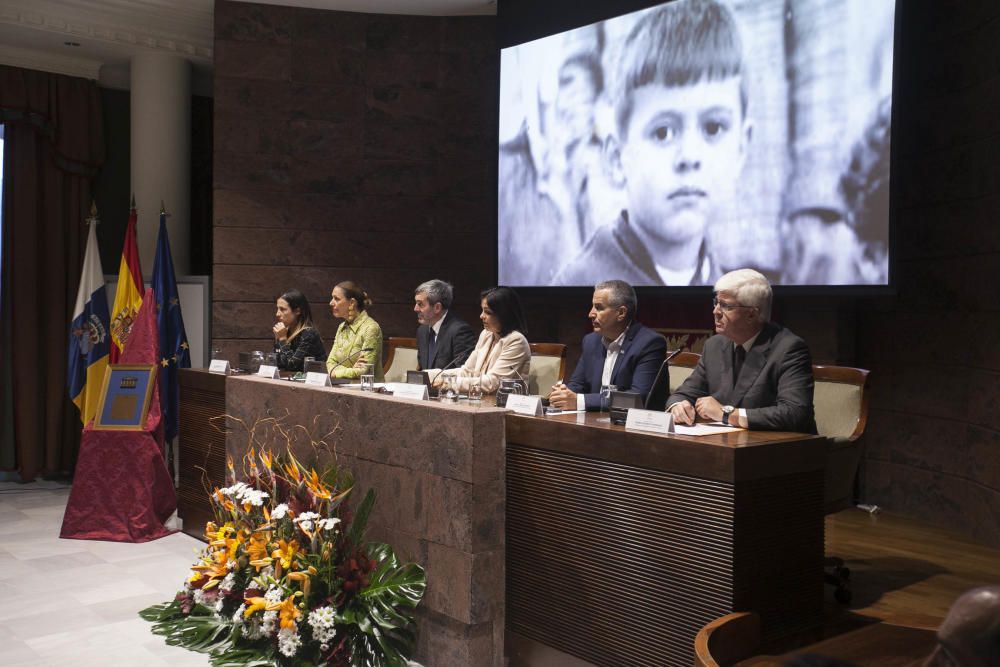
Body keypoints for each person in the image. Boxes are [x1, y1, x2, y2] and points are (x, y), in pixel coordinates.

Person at [553, 0, 750, 286]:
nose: (690, 156)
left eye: (713, 127)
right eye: (663, 133)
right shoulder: (577, 284)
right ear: (616, 159)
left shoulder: (734, 292)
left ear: (742, 148)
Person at [666, 269, 816, 433]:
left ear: (751, 314)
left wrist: (727, 414)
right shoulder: (714, 346)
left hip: (779, 449)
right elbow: (683, 393)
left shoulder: (788, 349)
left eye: (725, 306)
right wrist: (678, 405)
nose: (715, 311)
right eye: (716, 302)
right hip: (727, 446)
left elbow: (795, 414)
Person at [548, 280, 666, 410]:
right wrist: (563, 395)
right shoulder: (591, 341)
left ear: (621, 313)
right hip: (593, 422)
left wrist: (580, 401)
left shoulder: (649, 344)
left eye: (599, 308)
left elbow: (636, 398)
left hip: (634, 426)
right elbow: (577, 385)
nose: (591, 314)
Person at [427, 286, 530, 395]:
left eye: (488, 312)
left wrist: (449, 382)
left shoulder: (516, 341)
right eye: (482, 310)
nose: (481, 316)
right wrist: (432, 375)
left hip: (505, 406)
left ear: (504, 314)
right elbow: (467, 372)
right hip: (480, 401)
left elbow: (493, 383)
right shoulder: (486, 335)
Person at [325, 281, 384, 381]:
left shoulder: (371, 328)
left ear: (352, 302)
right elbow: (330, 363)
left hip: (367, 390)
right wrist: (351, 370)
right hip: (343, 387)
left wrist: (336, 372)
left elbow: (364, 371)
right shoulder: (341, 327)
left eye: (337, 299)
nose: (331, 303)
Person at [413, 279, 478, 371]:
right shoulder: (422, 331)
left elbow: (464, 372)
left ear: (437, 307)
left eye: (420, 304)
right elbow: (422, 368)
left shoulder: (460, 331)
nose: (415, 309)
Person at [272, 289, 326, 371]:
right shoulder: (286, 331)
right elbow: (277, 363)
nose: (277, 314)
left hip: (312, 382)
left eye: (282, 309)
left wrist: (282, 340)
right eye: (278, 309)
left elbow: (292, 366)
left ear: (297, 311)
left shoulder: (309, 334)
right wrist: (277, 341)